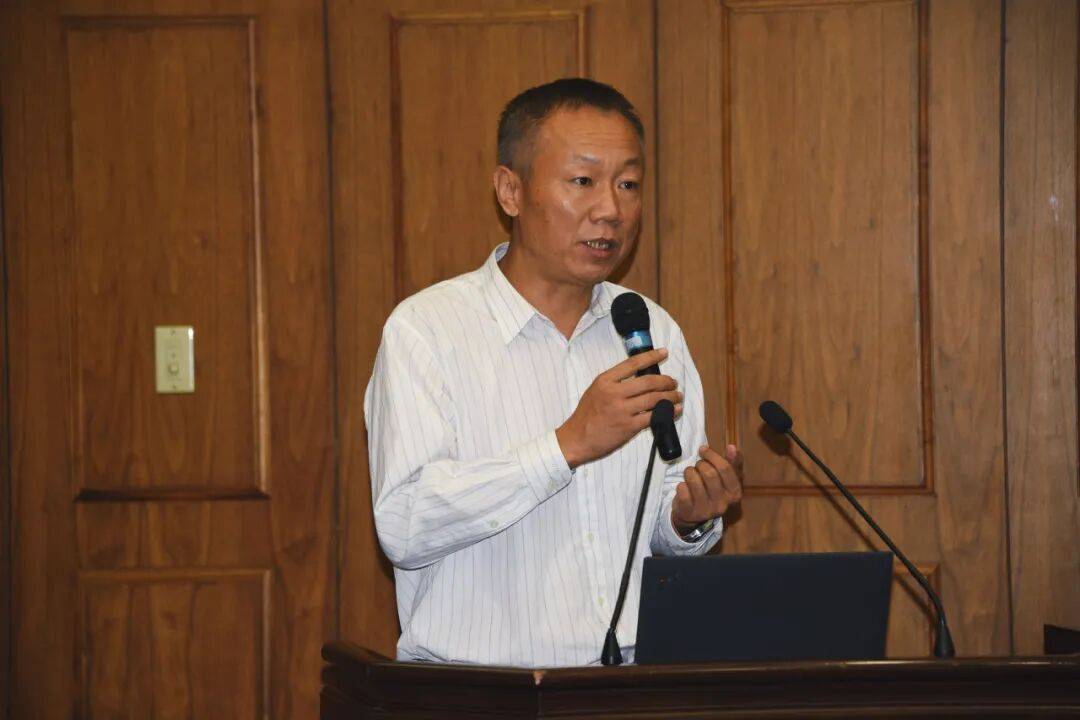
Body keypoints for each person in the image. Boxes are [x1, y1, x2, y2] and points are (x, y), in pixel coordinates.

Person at [364, 78, 744, 667]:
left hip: (631, 686)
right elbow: (404, 525)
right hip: (478, 693)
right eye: (583, 181)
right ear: (511, 191)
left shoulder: (653, 331)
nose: (610, 210)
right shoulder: (427, 331)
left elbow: (662, 535)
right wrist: (565, 445)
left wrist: (688, 518)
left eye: (628, 184)